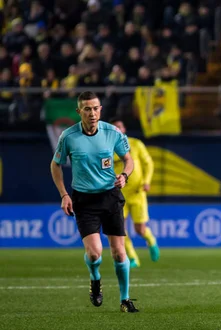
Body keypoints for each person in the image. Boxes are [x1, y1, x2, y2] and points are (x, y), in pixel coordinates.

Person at [50, 91, 138, 313]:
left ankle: (125, 299)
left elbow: (128, 159)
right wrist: (64, 194)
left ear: (101, 109)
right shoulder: (68, 137)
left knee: (119, 252)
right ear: (79, 111)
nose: (92, 113)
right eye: (87, 109)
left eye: (95, 108)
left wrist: (124, 176)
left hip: (110, 196)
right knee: (94, 253)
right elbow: (55, 164)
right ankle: (95, 278)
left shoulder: (112, 132)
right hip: (84, 200)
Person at [111, 118, 160, 268]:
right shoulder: (107, 148)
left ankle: (151, 240)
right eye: (114, 128)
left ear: (124, 128)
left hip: (138, 192)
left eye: (119, 126)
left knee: (140, 229)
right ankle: (132, 258)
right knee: (120, 229)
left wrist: (146, 181)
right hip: (119, 194)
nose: (117, 130)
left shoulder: (136, 144)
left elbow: (148, 163)